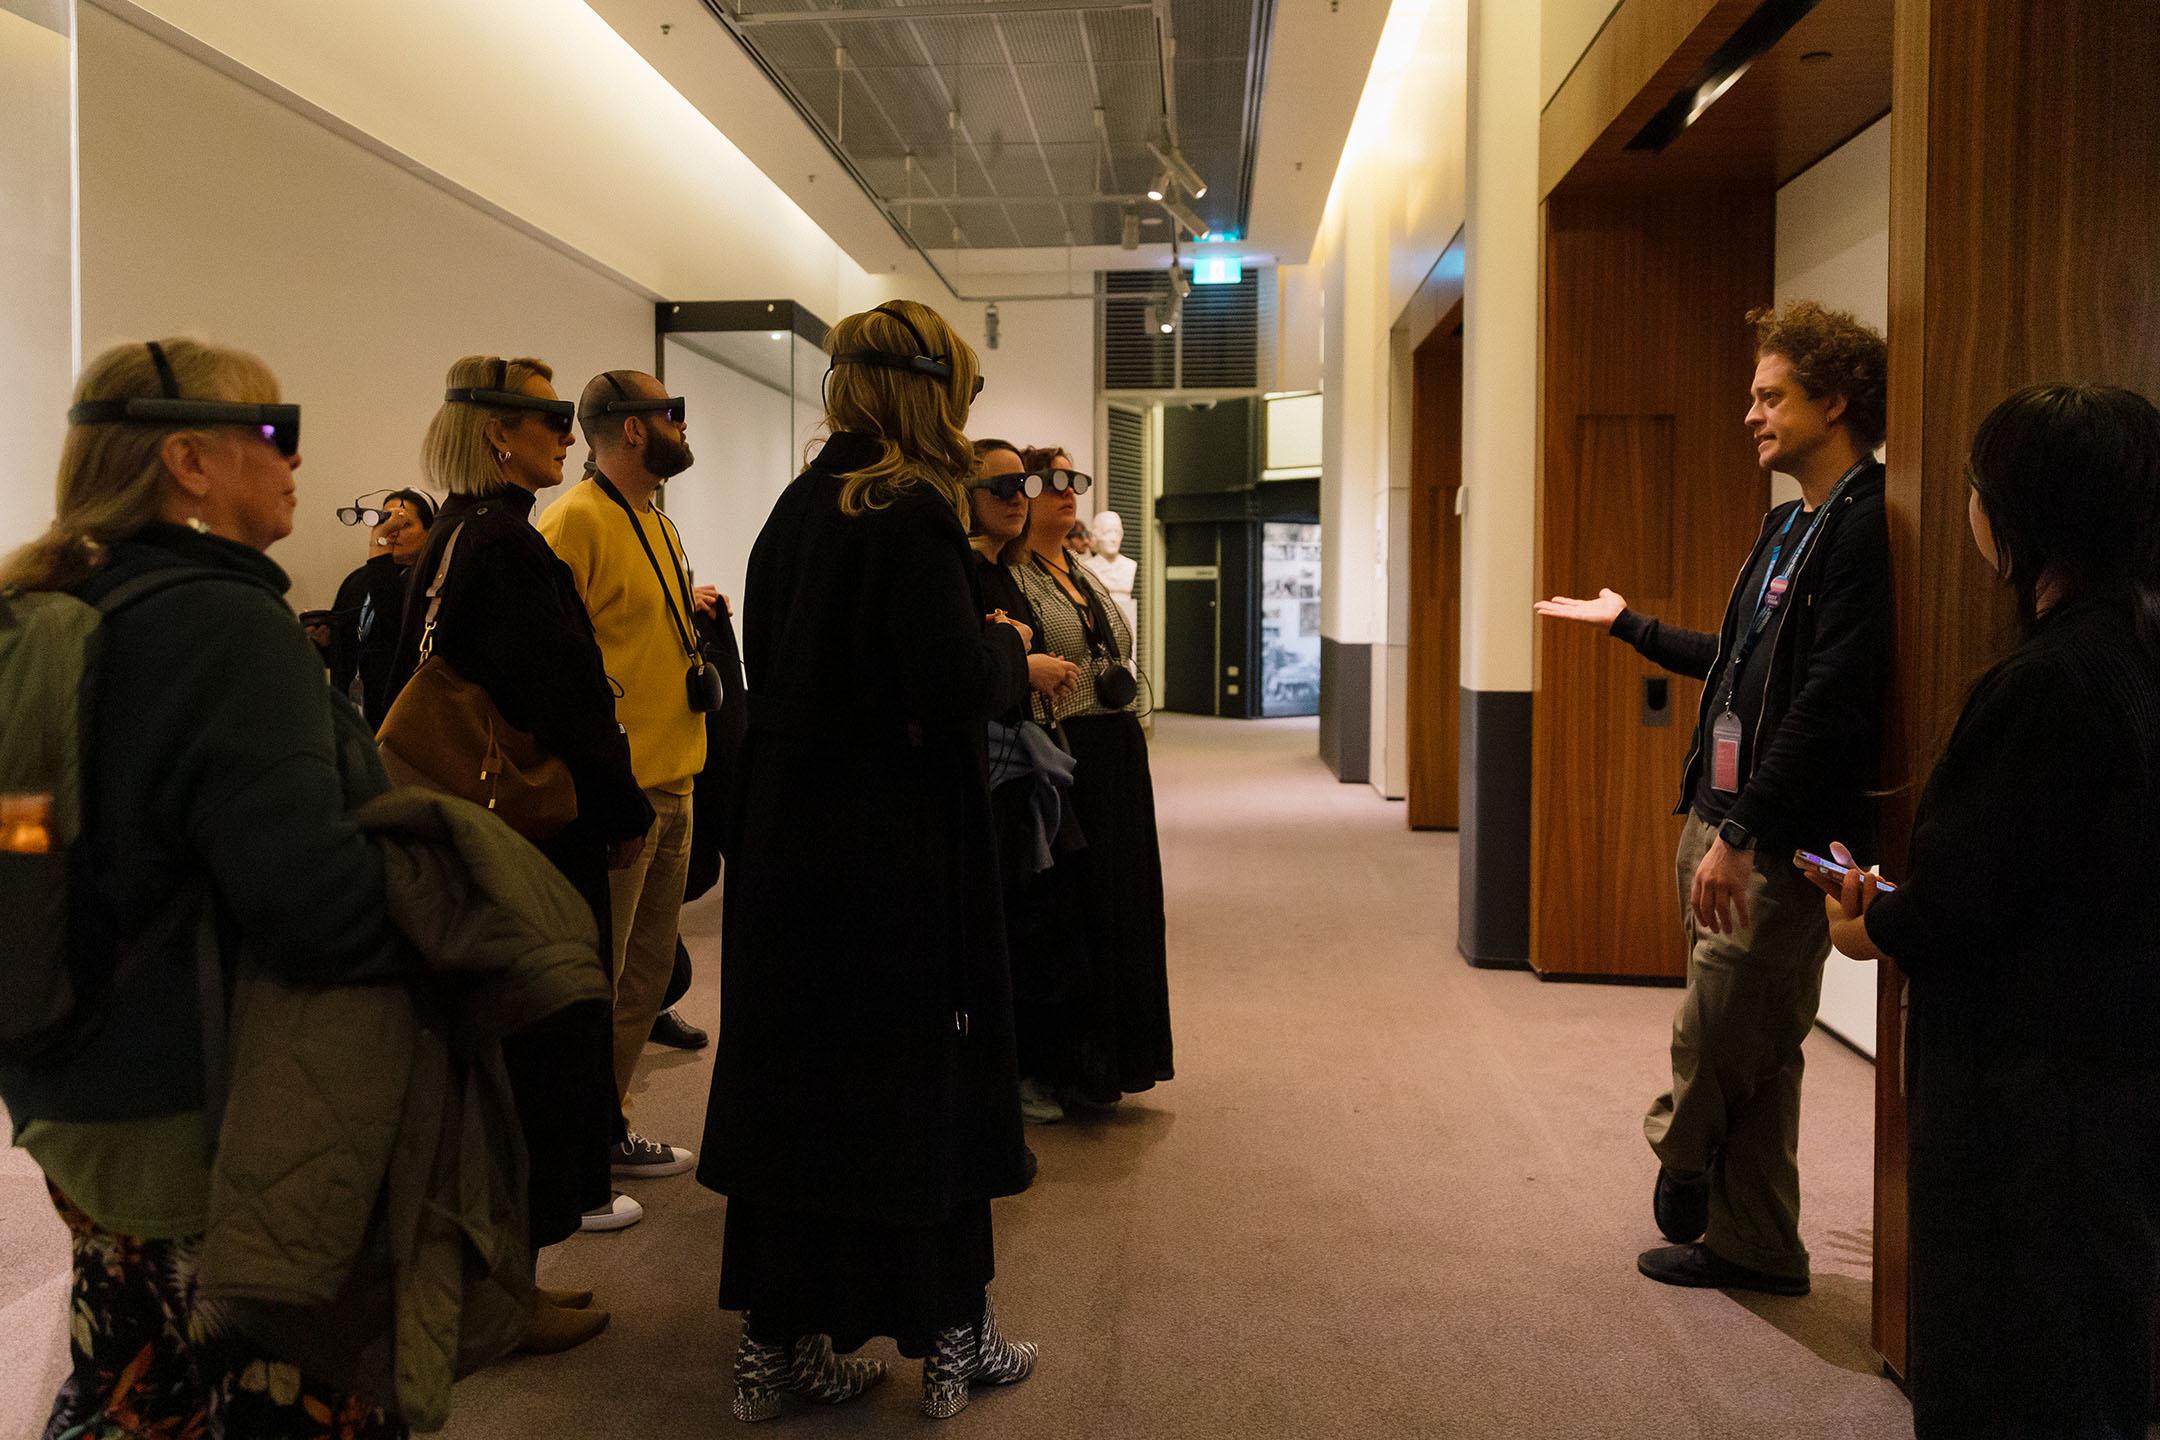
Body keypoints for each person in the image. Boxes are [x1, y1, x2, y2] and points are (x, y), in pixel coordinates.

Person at [0, 338, 405, 1437]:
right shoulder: (226, 626)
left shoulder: (54, 601)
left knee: (133, 1367)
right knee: (247, 1393)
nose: (296, 457)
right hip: (205, 1096)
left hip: (71, 1081)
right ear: (187, 457)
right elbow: (312, 902)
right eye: (273, 431)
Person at [699, 300, 1039, 1422]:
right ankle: (955, 1333)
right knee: (921, 1075)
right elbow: (945, 685)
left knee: (800, 1081)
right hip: (895, 843)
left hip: (792, 838)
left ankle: (777, 1340)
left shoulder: (796, 511)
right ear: (928, 392)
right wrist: (1004, 649)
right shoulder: (907, 514)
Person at [1810, 384, 2160, 1437]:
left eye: (1975, 484)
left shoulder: (2049, 685)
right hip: (2121, 1067)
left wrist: (1864, 924)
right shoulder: (2136, 655)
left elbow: (1963, 909)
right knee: (2099, 1343)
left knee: (2011, 1352)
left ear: (2022, 511)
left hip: (2026, 1096)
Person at [1534, 300, 1891, 1296]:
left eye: (1771, 396)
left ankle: (1678, 1153)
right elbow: (1741, 665)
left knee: (1720, 1031)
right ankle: (1757, 1246)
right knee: (1763, 1061)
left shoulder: (1866, 527)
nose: (1752, 414)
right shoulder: (1787, 525)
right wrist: (1630, 626)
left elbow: (1826, 707)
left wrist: (1741, 832)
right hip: (1719, 818)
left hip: (1773, 843)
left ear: (1835, 399)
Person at [391, 356, 654, 1294]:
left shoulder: (458, 537)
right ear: (497, 432)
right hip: (531, 834)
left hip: (489, 828)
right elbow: (565, 695)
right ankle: (512, 1292)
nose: (564, 434)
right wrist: (619, 805)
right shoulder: (502, 544)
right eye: (546, 417)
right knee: (541, 1047)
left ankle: (498, 1281)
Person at [540, 369, 710, 1182]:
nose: (683, 426)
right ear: (634, 429)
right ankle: (574, 1150)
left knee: (644, 981)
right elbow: (561, 667)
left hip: (675, 778)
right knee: (597, 983)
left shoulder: (656, 524)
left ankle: (607, 1129)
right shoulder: (572, 522)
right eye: (671, 413)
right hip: (622, 793)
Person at [1013, 445, 1175, 1110]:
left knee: (1122, 907)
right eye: (1048, 480)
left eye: (1073, 479)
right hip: (1062, 752)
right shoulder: (1008, 575)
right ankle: (1052, 1066)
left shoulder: (1080, 569)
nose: (1066, 490)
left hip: (1116, 753)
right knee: (1067, 914)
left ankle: (1113, 1061)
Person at [970, 440, 1082, 1124]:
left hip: (1018, 768)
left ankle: (1019, 1069)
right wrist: (1026, 664)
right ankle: (999, 1081)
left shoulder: (1005, 572)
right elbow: (965, 675)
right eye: (1002, 485)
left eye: (1023, 483)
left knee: (1031, 919)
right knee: (1003, 926)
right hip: (988, 770)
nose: (1018, 495)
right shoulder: (965, 571)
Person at [309, 487, 435, 727]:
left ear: (430, 532)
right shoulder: (357, 580)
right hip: (353, 716)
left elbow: (395, 624)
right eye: (384, 522)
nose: (392, 532)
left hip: (403, 719)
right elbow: (349, 649)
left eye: (405, 525)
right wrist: (324, 642)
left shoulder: (430, 584)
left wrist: (379, 549)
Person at [1081, 507, 1138, 640]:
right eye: (1107, 532)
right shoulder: (1088, 568)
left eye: (1117, 532)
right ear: (1096, 536)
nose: (1113, 538)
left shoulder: (1129, 566)